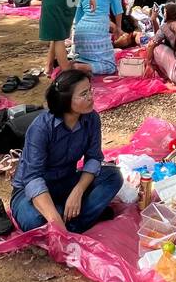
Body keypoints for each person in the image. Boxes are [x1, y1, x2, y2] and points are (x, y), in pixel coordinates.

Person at [10, 71, 123, 233]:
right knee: (33, 221)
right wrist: (55, 219)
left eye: (90, 90)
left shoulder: (91, 119)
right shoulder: (41, 128)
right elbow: (32, 178)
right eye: (84, 94)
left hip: (66, 181)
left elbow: (94, 158)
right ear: (65, 100)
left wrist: (78, 191)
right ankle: (72, 219)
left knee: (113, 176)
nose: (91, 97)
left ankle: (69, 219)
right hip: (30, 191)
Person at [70, 0, 125, 76]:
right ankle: (80, 66)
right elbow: (118, 8)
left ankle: (81, 64)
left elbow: (77, 17)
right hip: (98, 29)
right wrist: (119, 28)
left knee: (86, 57)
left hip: (81, 31)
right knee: (110, 67)